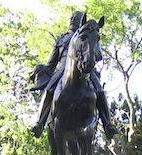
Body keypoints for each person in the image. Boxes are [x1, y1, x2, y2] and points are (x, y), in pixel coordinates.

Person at [30, 11, 119, 140]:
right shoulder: (61, 39)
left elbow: (98, 54)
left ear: (81, 21)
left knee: (99, 90)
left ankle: (107, 124)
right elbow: (51, 63)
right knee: (49, 89)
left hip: (86, 68)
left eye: (76, 18)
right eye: (72, 18)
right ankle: (40, 122)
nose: (73, 20)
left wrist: (90, 56)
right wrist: (40, 69)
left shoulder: (89, 34)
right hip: (62, 69)